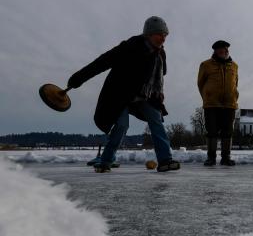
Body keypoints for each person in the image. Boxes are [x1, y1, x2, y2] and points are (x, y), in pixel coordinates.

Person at [67, 16, 180, 173]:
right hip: (120, 93)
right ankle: (106, 161)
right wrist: (79, 78)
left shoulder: (161, 54)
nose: (163, 39)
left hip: (143, 95)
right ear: (149, 34)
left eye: (165, 35)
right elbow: (103, 61)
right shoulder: (131, 46)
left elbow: (160, 74)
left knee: (156, 118)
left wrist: (159, 91)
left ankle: (165, 160)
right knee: (121, 125)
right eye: (160, 34)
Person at [197, 40, 239, 166]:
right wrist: (207, 96)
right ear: (215, 51)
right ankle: (211, 157)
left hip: (229, 104)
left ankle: (226, 157)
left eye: (226, 50)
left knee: (227, 132)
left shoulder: (234, 66)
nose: (224, 52)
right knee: (212, 131)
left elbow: (235, 83)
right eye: (221, 50)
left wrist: (234, 96)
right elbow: (200, 83)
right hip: (212, 104)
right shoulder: (206, 65)